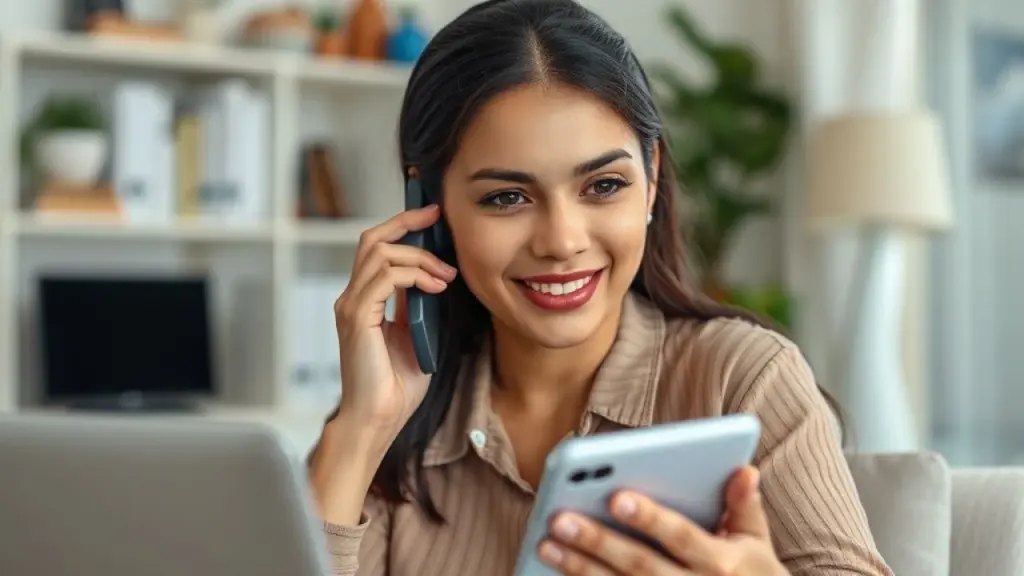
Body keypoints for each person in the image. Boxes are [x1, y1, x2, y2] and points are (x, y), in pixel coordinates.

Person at [308, 1, 894, 575]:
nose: (562, 241)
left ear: (652, 177)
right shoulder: (397, 425)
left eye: (604, 184)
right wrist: (362, 428)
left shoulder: (742, 379)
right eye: (507, 197)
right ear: (431, 210)